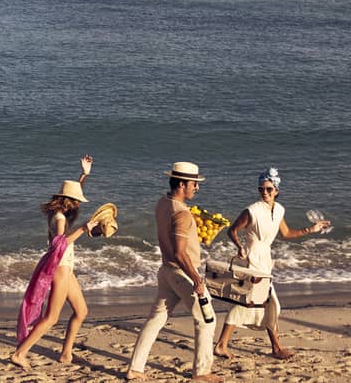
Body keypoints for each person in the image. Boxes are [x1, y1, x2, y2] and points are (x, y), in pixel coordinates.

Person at [214, 167, 331, 361]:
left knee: (257, 302)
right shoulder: (251, 211)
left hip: (265, 259)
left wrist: (311, 229)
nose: (265, 193)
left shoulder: (279, 210)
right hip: (252, 259)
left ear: (276, 190)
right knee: (261, 301)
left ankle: (227, 345)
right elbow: (232, 231)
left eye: (269, 189)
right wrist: (240, 246)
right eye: (262, 189)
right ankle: (271, 347)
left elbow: (286, 234)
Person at [126, 162, 222, 382]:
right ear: (182, 184)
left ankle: (135, 368)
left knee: (156, 319)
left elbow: (173, 236)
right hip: (182, 274)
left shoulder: (163, 202)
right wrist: (197, 279)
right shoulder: (182, 214)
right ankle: (201, 372)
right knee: (206, 320)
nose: (197, 188)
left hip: (166, 270)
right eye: (194, 184)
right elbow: (180, 253)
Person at [12, 155, 95, 369]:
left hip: (66, 268)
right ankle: (20, 353)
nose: (78, 204)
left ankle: (66, 354)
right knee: (51, 317)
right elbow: (60, 244)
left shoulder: (61, 213)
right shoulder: (59, 219)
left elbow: (74, 194)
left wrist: (84, 175)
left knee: (81, 311)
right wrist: (83, 230)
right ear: (68, 201)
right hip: (61, 268)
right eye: (76, 200)